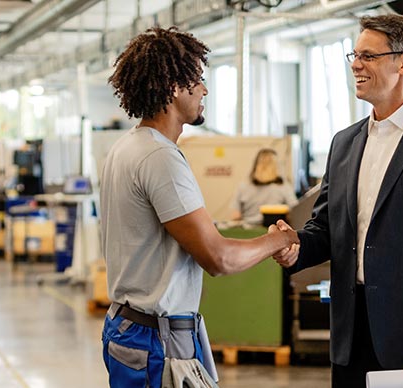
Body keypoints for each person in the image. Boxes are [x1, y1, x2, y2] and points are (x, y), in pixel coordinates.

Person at [272, 15, 403, 388]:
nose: (356, 64)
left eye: (368, 56)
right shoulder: (344, 143)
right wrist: (296, 247)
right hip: (353, 337)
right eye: (354, 55)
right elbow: (326, 228)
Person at [100, 26, 299, 388]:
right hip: (155, 339)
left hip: (132, 327)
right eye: (198, 80)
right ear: (175, 86)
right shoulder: (160, 156)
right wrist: (280, 239)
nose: (204, 90)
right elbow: (218, 258)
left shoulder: (126, 147)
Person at [229, 148, 298, 226]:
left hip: (249, 232)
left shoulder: (243, 186)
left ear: (255, 165)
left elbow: (235, 216)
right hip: (274, 232)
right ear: (276, 166)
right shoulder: (284, 187)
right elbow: (295, 213)